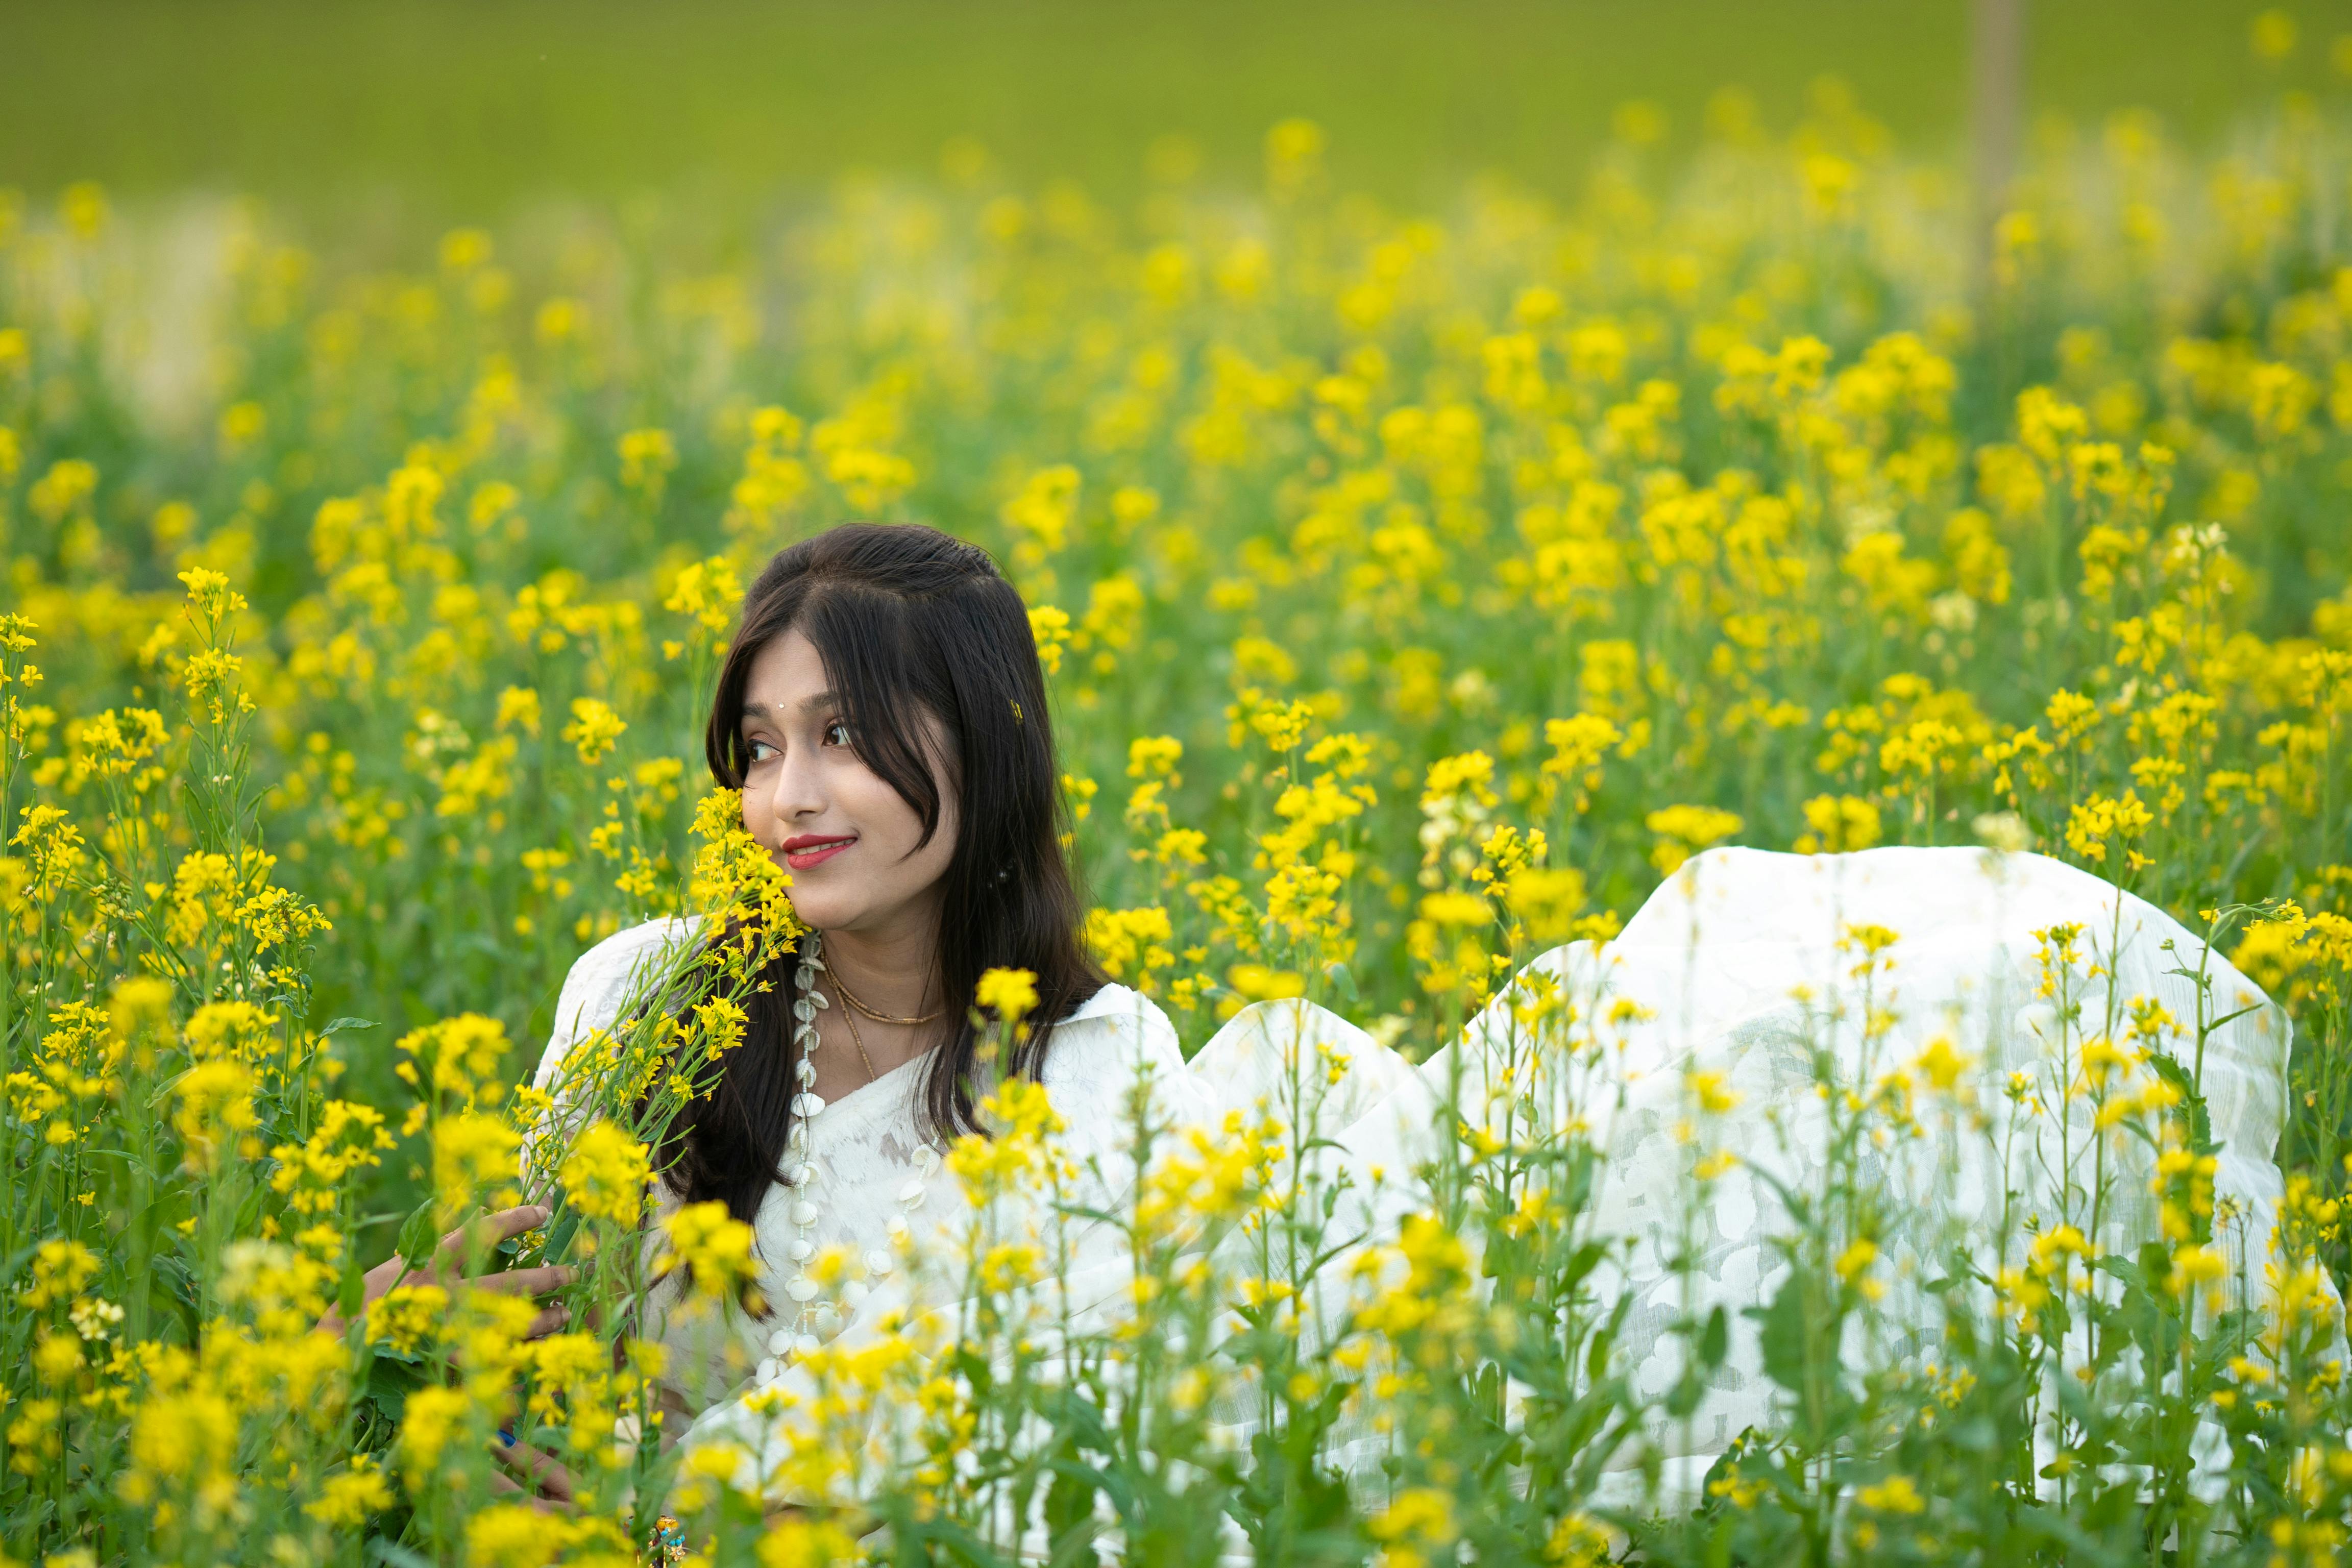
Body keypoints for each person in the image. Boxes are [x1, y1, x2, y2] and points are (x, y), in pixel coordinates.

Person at [363, 521, 2310, 1514]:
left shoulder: (1081, 1076)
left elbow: (1004, 1457)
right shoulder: (634, 1002)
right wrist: (415, 1335)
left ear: (994, 752)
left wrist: (659, 1497)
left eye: (859, 737)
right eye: (764, 743)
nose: (797, 792)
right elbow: (504, 1322)